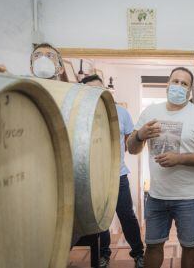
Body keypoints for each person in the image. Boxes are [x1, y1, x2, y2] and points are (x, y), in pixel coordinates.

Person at [127, 67, 194, 268]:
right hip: (156, 196)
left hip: (189, 198)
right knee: (153, 246)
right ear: (167, 84)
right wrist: (140, 135)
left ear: (190, 90)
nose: (178, 86)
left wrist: (180, 159)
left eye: (184, 84)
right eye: (175, 81)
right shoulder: (150, 112)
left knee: (190, 247)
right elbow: (132, 149)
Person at [80, 74, 145, 268]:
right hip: (93, 178)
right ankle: (104, 254)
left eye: (101, 89)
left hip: (118, 176)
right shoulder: (82, 114)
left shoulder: (121, 112)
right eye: (92, 90)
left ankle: (138, 254)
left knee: (127, 216)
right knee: (100, 219)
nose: (98, 93)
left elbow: (129, 142)